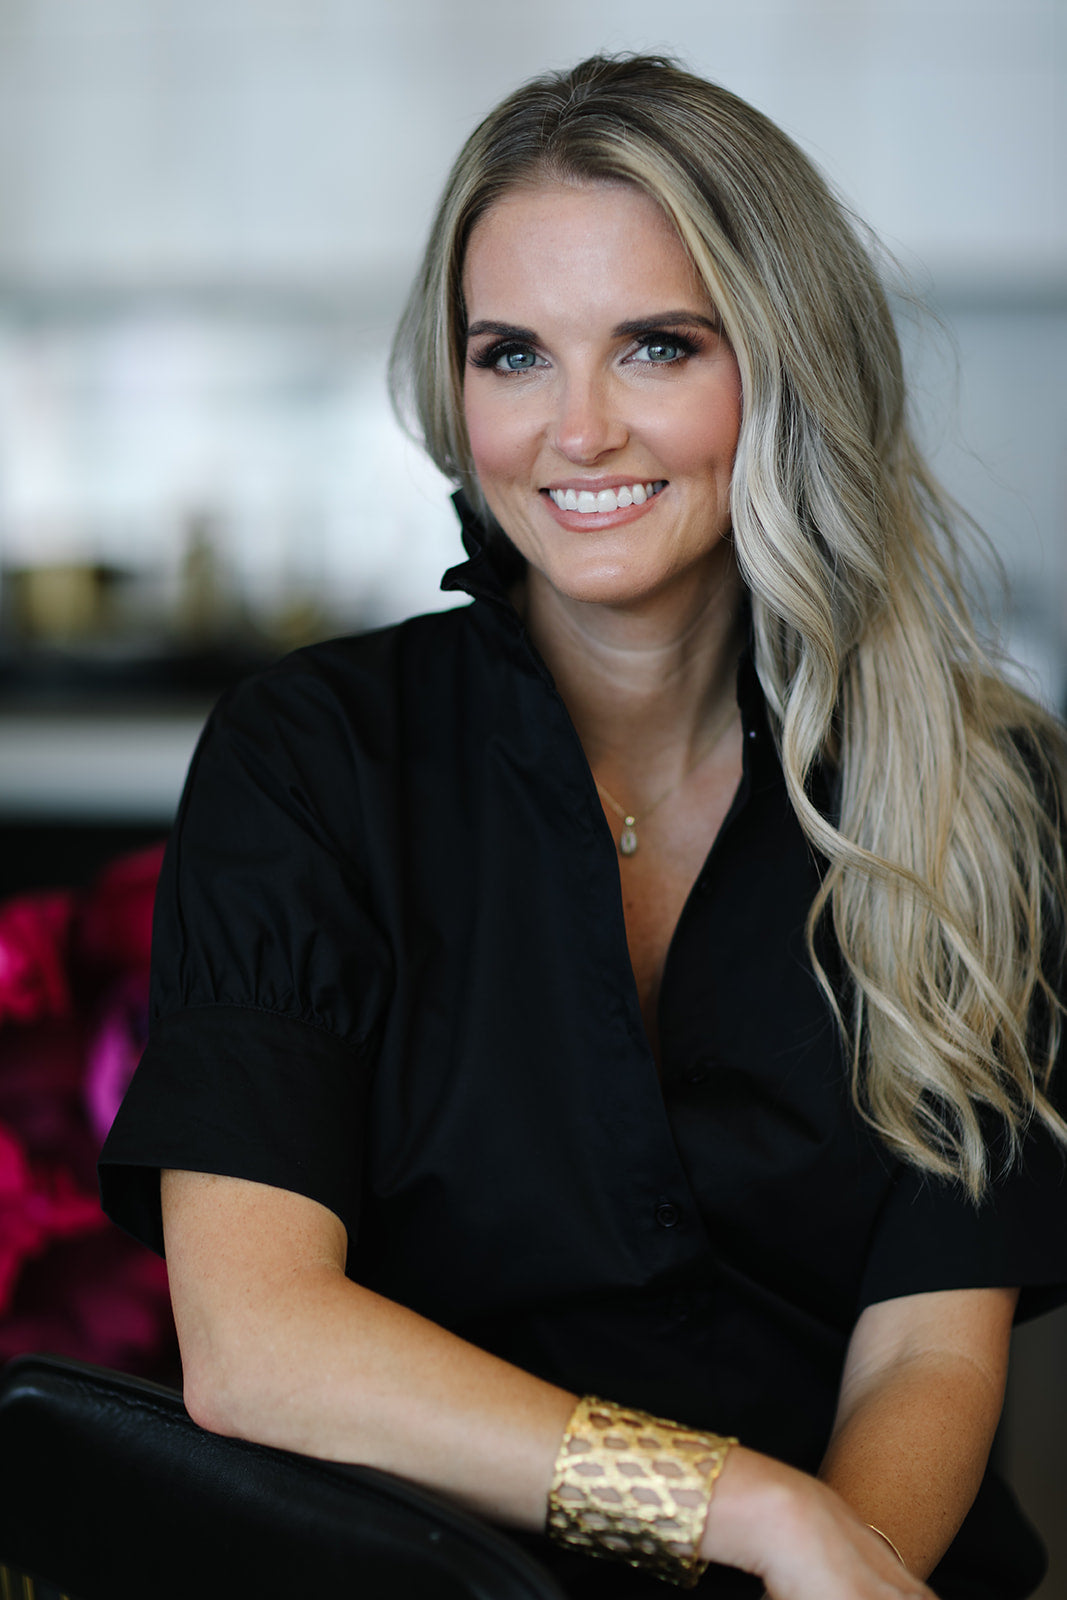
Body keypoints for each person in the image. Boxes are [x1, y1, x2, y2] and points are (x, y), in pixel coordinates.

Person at [100, 54, 1067, 1599]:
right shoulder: (312, 760)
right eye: (514, 357)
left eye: (657, 347)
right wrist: (750, 1514)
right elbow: (256, 1347)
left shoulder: (976, 783)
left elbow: (930, 1352)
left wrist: (834, 1566)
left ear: (785, 364)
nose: (579, 429)